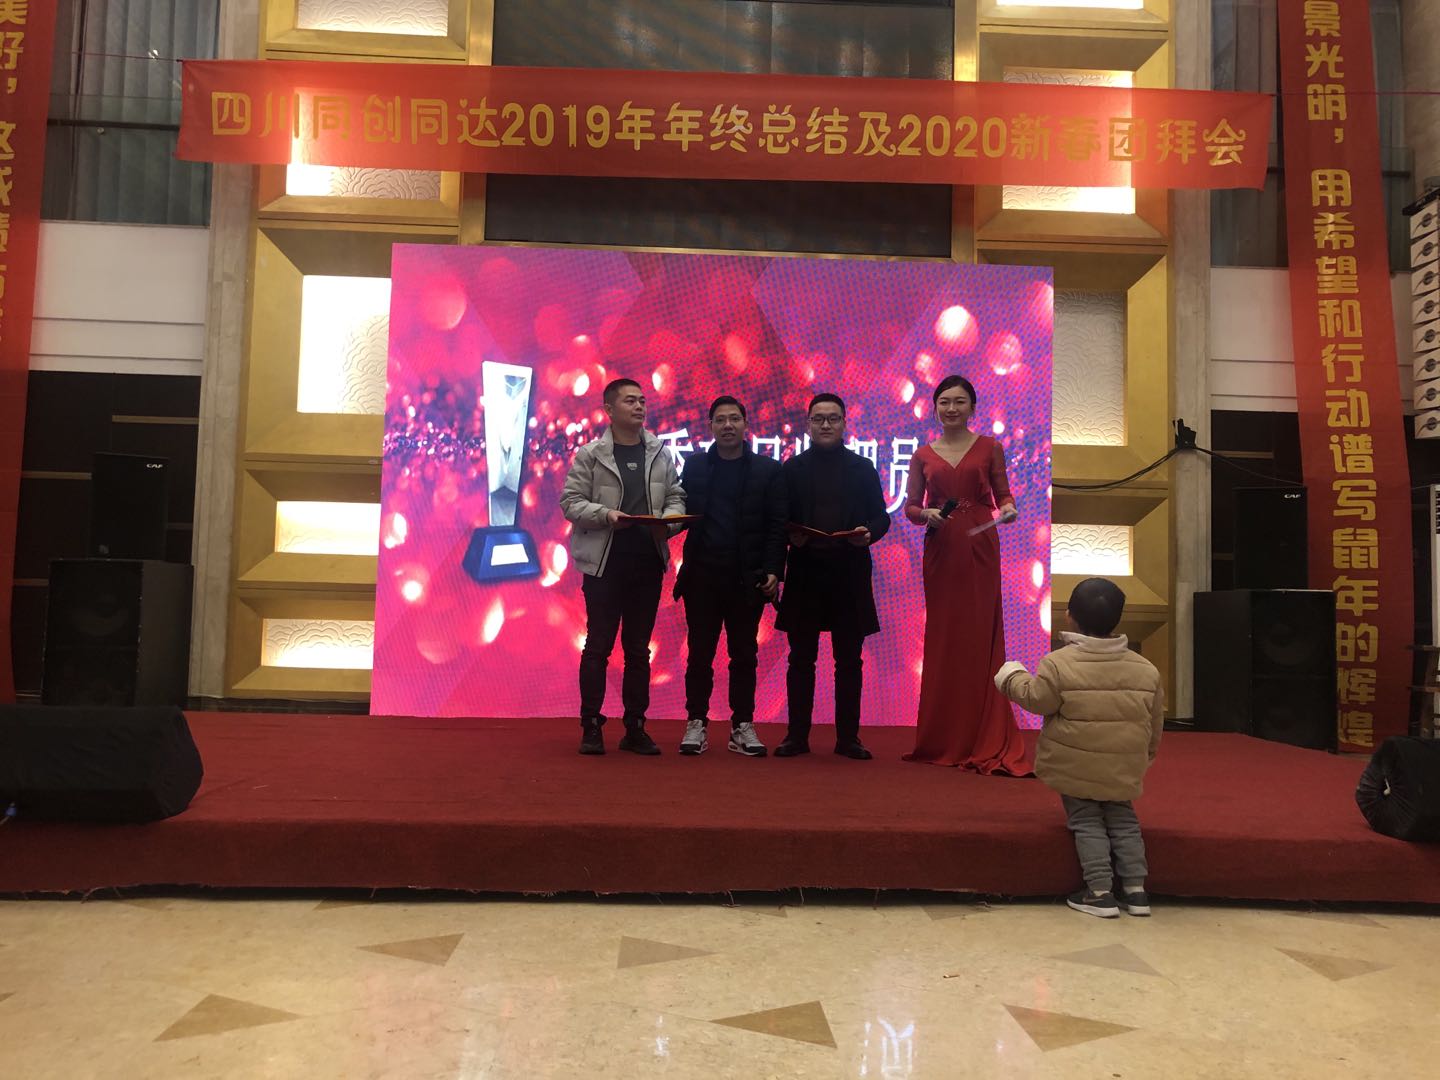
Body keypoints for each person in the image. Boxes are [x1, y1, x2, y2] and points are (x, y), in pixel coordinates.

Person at [994, 578, 1165, 918]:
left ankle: (1099, 892)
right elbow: (1155, 722)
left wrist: (1012, 677)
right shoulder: (1146, 669)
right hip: (1123, 764)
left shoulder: (1058, 663)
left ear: (1069, 616)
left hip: (1075, 765)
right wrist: (1143, 757)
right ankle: (1136, 891)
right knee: (1124, 820)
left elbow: (1038, 700)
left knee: (1086, 820)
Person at [903, 375, 1034, 776]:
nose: (951, 408)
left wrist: (1008, 509)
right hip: (941, 546)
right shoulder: (922, 454)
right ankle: (942, 736)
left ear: (972, 407)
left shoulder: (990, 447)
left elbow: (1003, 495)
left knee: (978, 633)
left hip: (980, 543)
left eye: (959, 401)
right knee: (944, 635)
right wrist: (925, 514)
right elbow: (911, 507)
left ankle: (982, 732)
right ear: (935, 408)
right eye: (944, 402)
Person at [560, 378, 685, 756]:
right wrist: (605, 515)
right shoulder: (591, 454)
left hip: (646, 562)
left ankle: (635, 727)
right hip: (604, 564)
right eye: (630, 401)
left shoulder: (659, 452)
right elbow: (571, 502)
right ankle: (591, 725)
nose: (639, 406)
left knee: (638, 649)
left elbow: (676, 496)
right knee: (598, 645)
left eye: (642, 401)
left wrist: (669, 523)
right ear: (609, 410)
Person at [773, 393, 890, 760]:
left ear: (844, 424)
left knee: (849, 661)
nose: (826, 425)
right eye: (819, 419)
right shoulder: (791, 469)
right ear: (808, 424)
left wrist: (870, 533)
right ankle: (796, 736)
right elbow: (778, 520)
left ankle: (848, 739)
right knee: (800, 659)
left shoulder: (862, 468)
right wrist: (789, 537)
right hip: (805, 572)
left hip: (849, 573)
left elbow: (881, 516)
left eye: (833, 418)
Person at [674, 396, 787, 757]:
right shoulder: (694, 466)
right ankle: (696, 722)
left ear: (745, 424)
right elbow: (678, 510)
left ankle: (742, 725)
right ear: (710, 426)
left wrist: (774, 570)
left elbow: (776, 526)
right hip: (702, 576)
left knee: (744, 655)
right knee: (699, 654)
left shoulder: (767, 470)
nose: (727, 425)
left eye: (734, 419)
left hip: (746, 578)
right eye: (720, 419)